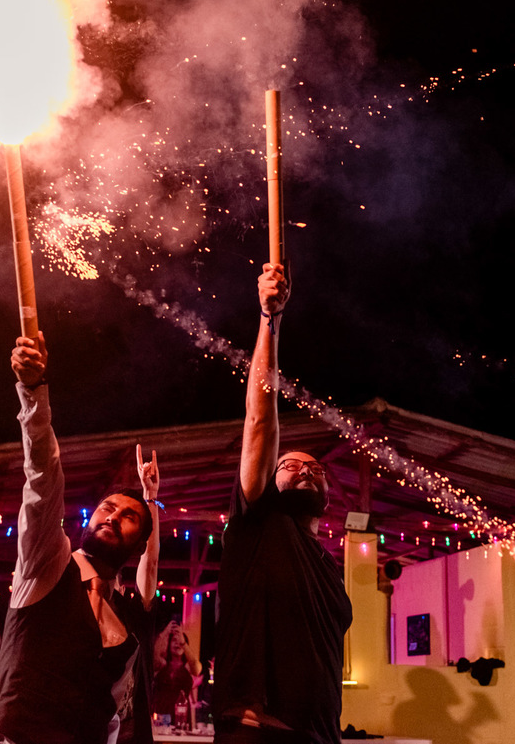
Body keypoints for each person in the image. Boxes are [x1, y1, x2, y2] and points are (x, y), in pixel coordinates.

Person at [0, 332, 161, 744]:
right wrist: (33, 391)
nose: (113, 516)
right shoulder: (47, 564)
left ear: (139, 544)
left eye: (129, 517)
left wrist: (152, 499)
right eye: (107, 508)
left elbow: (113, 707)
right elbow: (43, 479)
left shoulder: (128, 618)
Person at [212, 263, 354, 744]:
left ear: (328, 498)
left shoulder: (328, 566)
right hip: (258, 733)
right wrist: (269, 320)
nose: (306, 469)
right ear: (267, 481)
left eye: (316, 469)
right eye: (289, 465)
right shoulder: (258, 522)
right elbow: (259, 420)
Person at [151, 621, 203, 717]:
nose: (177, 643)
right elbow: (154, 657)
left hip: (182, 716)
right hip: (160, 716)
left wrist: (183, 642)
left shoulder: (188, 667)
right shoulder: (162, 664)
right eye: (174, 640)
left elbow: (197, 669)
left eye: (180, 641)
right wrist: (164, 633)